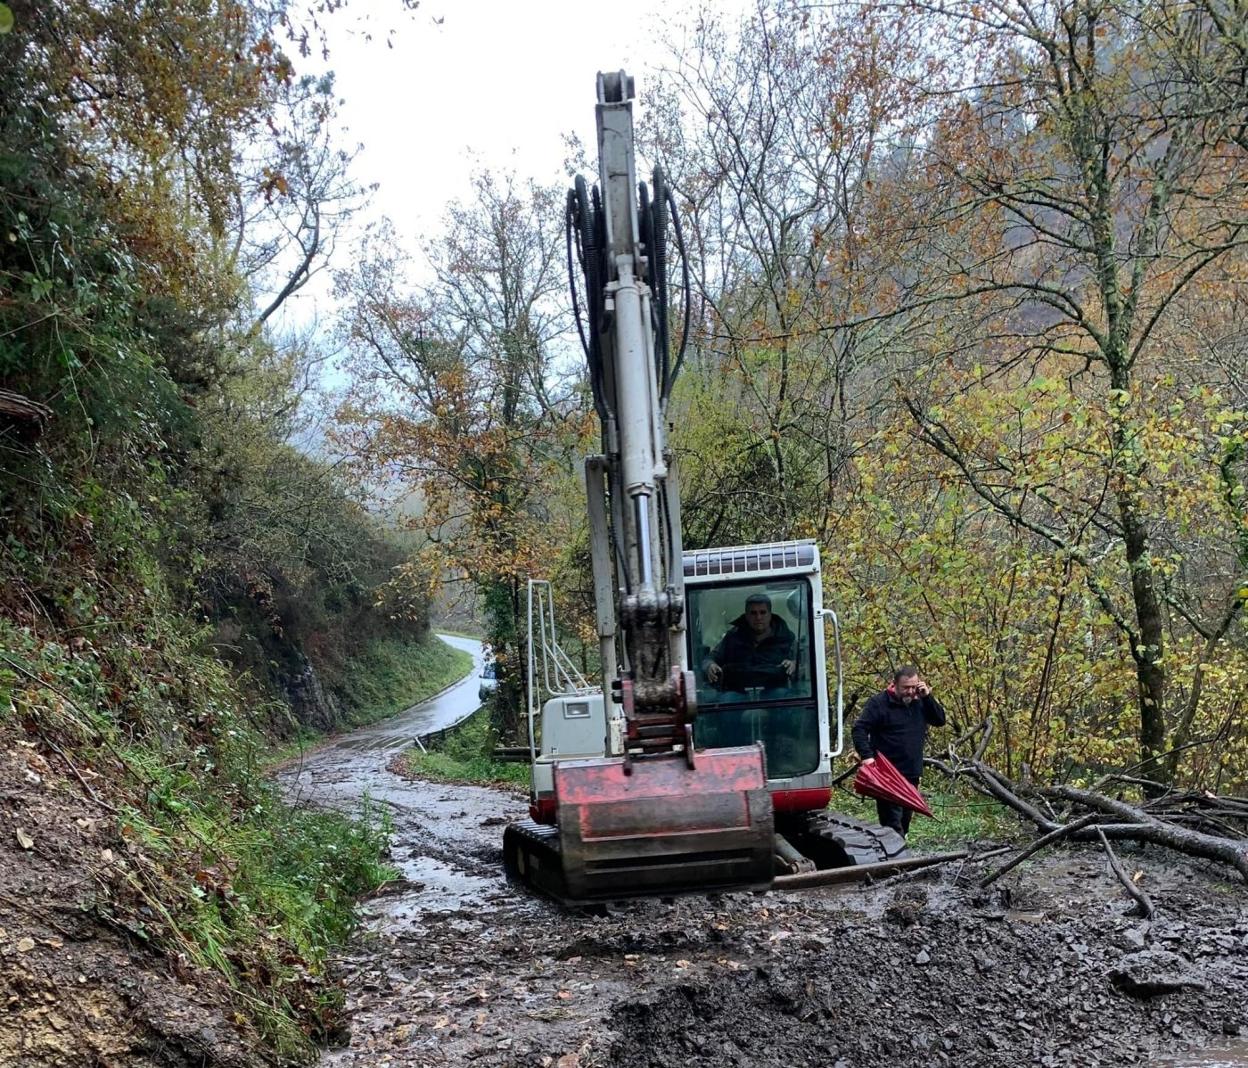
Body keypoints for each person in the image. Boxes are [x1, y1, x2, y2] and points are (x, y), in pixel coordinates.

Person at [851, 665, 946, 837]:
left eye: (913, 687)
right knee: (892, 826)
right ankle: (898, 862)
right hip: (887, 775)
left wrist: (927, 697)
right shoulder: (879, 703)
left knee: (904, 822)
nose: (910, 692)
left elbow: (940, 720)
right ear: (894, 685)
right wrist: (867, 757)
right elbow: (859, 729)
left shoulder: (921, 701)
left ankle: (898, 860)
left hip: (911, 773)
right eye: (906, 688)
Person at [702, 593, 796, 696]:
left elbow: (804, 664)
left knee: (782, 695)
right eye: (753, 613)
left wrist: (793, 663)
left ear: (770, 615)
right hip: (738, 695)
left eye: (763, 612)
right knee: (728, 698)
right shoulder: (732, 637)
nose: (758, 617)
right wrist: (710, 665)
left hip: (774, 695)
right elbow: (711, 658)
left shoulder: (786, 638)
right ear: (746, 615)